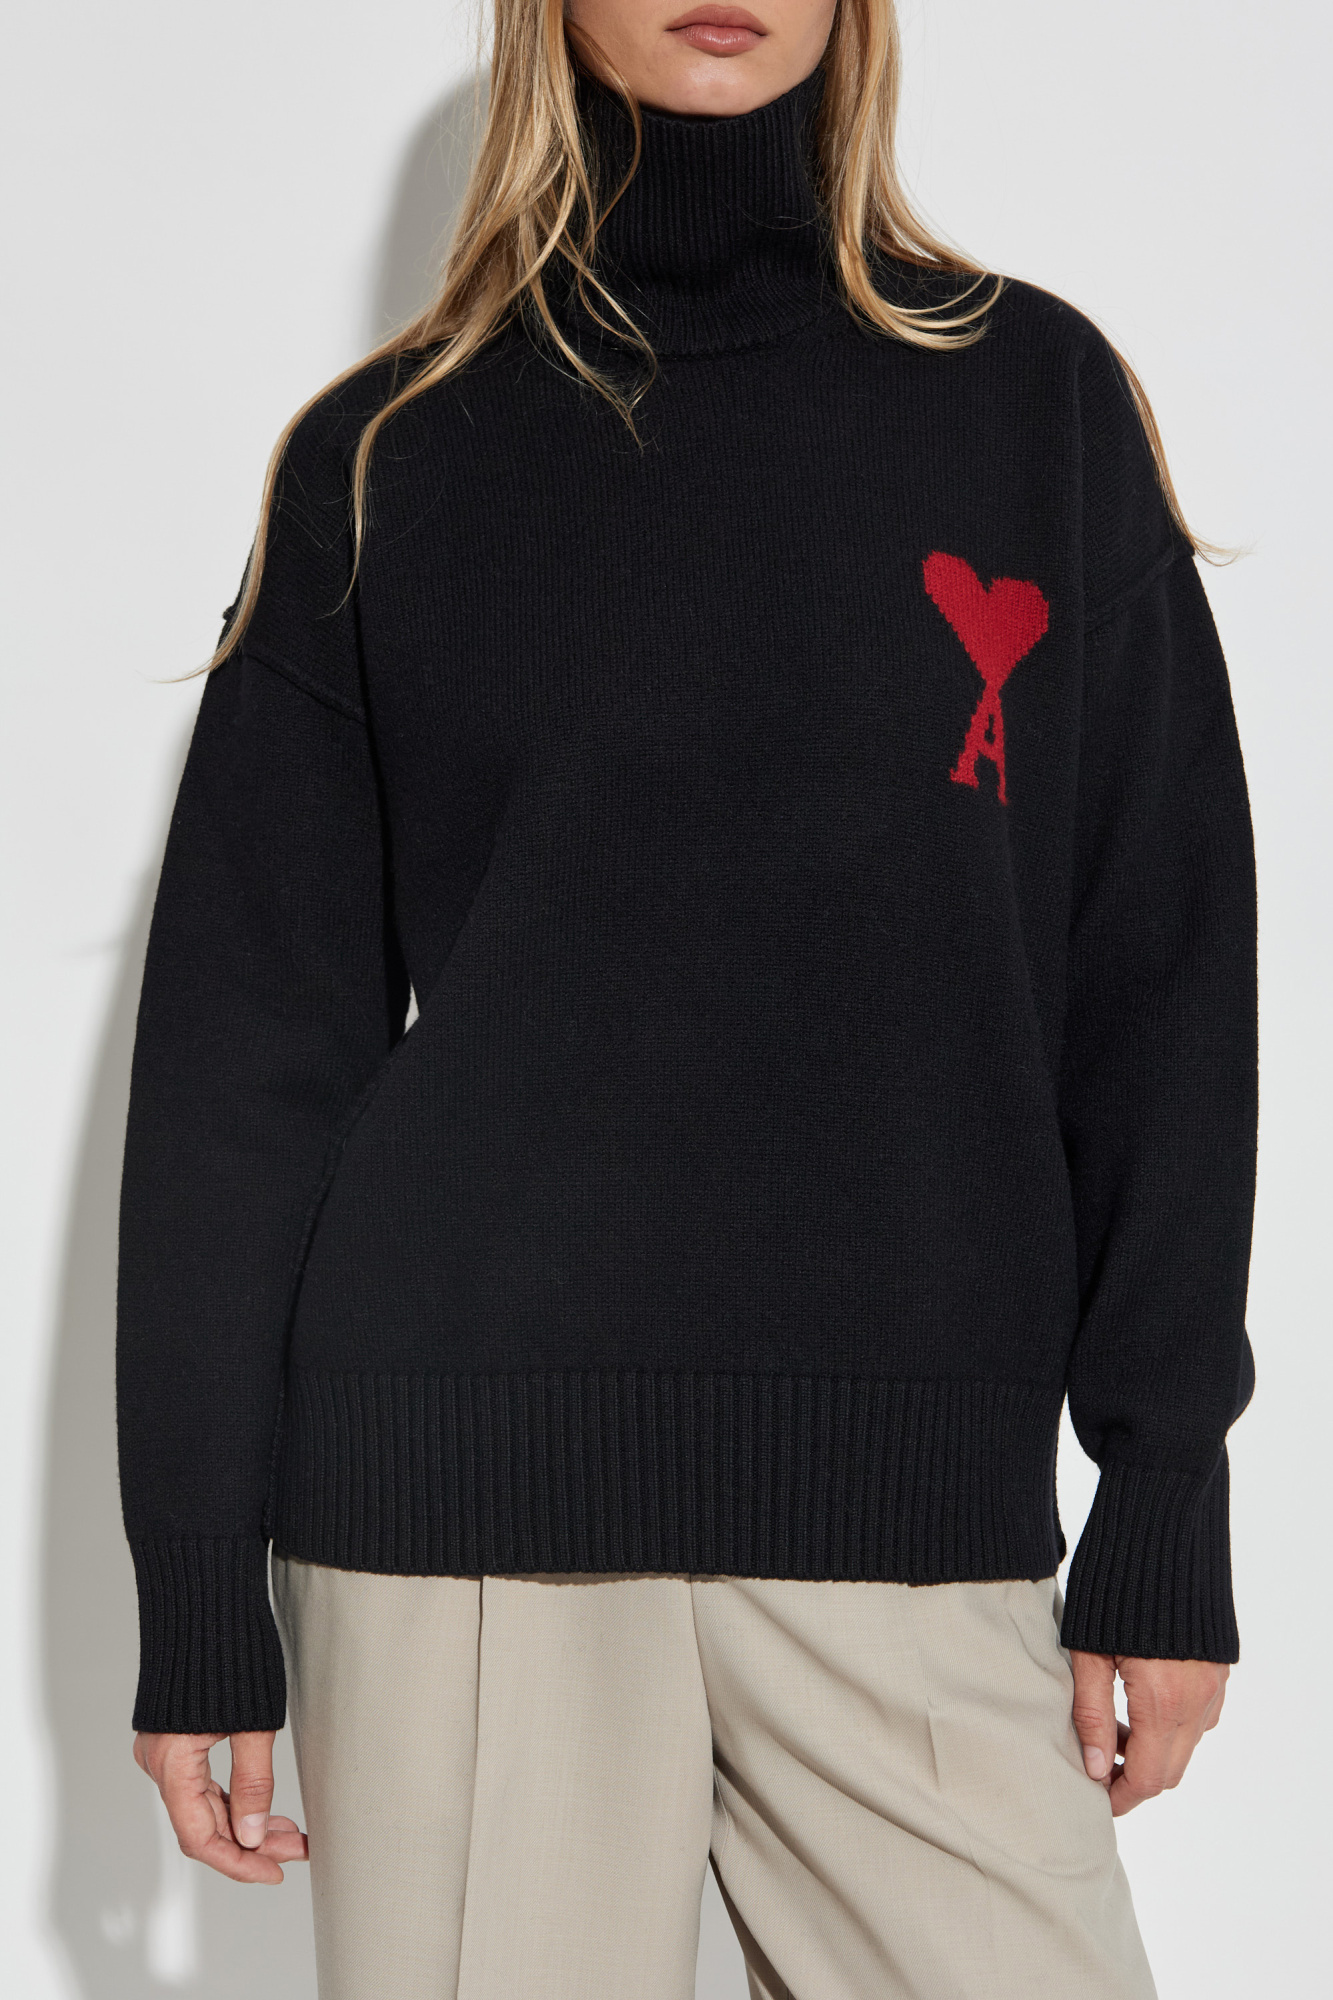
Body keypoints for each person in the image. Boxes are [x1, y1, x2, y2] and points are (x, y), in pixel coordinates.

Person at [117, 0, 1257, 1994]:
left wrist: (1163, 1485)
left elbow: (1158, 985)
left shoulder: (1034, 408)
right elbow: (246, 1058)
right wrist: (201, 1586)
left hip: (913, 1509)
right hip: (462, 1511)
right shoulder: (391, 452)